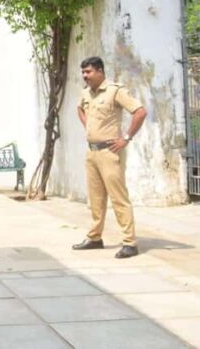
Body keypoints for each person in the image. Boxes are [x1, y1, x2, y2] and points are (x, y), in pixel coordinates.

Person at [72, 56, 146, 259]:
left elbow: (139, 112)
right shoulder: (86, 93)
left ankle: (130, 242)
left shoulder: (115, 91)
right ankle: (95, 237)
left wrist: (126, 138)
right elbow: (80, 108)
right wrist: (88, 126)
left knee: (118, 197)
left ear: (100, 71)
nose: (85, 76)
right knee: (95, 198)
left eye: (88, 72)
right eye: (83, 72)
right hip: (92, 152)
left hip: (110, 152)